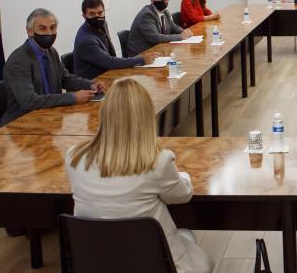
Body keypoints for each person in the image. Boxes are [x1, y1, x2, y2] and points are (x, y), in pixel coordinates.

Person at [66, 78, 214, 273]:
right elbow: (181, 195)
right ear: (146, 116)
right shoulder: (158, 162)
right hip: (151, 262)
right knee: (197, 251)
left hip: (96, 261)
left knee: (185, 237)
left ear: (105, 113)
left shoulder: (74, 157)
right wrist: (183, 175)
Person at [2, 8, 105, 126]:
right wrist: (72, 97)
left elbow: (65, 78)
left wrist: (90, 85)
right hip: (22, 123)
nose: (49, 33)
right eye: (42, 28)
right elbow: (29, 101)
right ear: (30, 31)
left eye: (53, 28)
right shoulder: (19, 60)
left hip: (51, 116)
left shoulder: (51, 51)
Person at [73, 0, 159, 80]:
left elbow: (110, 55)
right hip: (93, 82)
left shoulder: (103, 24)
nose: (97, 16)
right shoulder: (86, 40)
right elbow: (109, 62)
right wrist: (142, 59)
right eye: (92, 14)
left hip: (108, 72)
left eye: (100, 13)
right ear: (84, 16)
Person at [127, 0, 192, 57]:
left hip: (156, 51)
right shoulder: (147, 14)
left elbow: (174, 27)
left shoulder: (165, 12)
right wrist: (180, 36)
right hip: (141, 55)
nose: (163, 1)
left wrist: (184, 32)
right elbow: (155, 38)